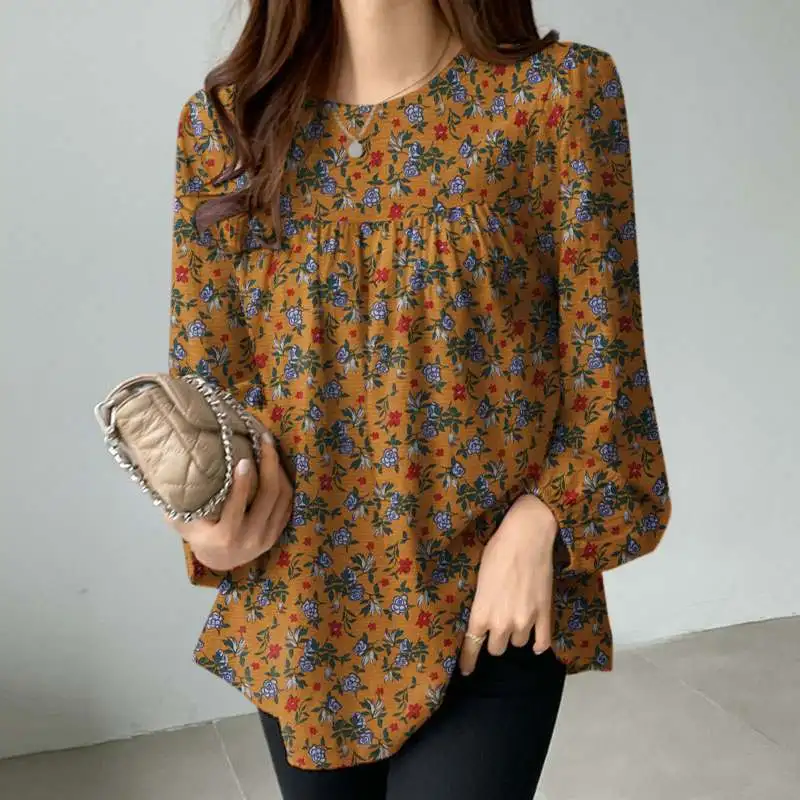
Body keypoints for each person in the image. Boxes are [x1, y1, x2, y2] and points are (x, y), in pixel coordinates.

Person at [167, 1, 672, 797]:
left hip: (487, 611)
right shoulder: (228, 128)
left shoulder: (557, 97)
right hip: (303, 612)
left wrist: (546, 516)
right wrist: (209, 523)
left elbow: (610, 380)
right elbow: (207, 392)